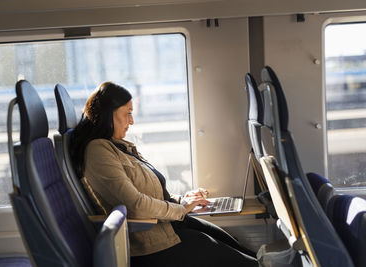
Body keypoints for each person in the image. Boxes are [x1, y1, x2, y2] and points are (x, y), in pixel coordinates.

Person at [70, 81, 258, 267]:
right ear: (107, 114)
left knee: (239, 248)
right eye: (127, 113)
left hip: (167, 227)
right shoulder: (98, 151)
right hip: (150, 244)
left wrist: (180, 200)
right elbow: (134, 204)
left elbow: (144, 191)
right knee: (238, 261)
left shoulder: (117, 146)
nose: (131, 121)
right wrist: (181, 209)